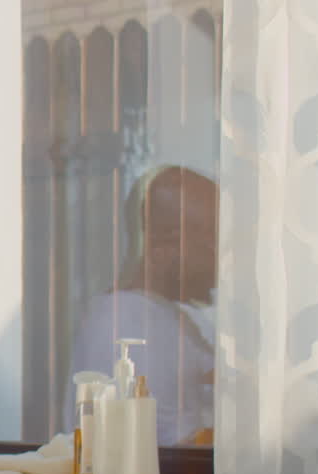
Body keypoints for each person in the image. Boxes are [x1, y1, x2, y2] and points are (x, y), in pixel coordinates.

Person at [69, 165, 218, 446]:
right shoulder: (126, 322)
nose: (219, 260)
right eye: (210, 245)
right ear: (164, 246)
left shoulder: (176, 318)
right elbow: (167, 451)